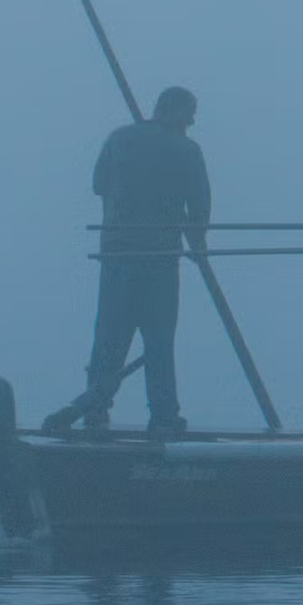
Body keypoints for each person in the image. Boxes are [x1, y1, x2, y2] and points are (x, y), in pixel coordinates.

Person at [81, 86, 209, 435]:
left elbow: (98, 184)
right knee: (158, 340)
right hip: (159, 259)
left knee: (109, 335)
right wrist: (199, 248)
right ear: (174, 110)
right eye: (190, 113)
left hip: (118, 254)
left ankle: (95, 407)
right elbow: (198, 209)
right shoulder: (188, 150)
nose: (194, 121)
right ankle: (164, 415)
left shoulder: (120, 138)